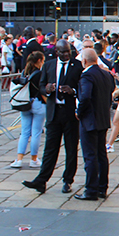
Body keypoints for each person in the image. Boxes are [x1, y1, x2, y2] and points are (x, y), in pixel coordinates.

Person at [22, 40, 82, 194]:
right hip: (54, 112)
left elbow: (82, 87)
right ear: (57, 52)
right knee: (50, 148)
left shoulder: (77, 66)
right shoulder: (49, 65)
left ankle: (68, 180)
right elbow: (41, 86)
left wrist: (73, 91)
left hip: (70, 113)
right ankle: (41, 180)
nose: (66, 54)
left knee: (71, 149)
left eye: (68, 51)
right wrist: (47, 89)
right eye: (63, 52)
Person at [74, 47, 113, 201]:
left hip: (90, 119)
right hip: (102, 117)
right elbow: (110, 93)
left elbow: (85, 96)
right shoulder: (105, 74)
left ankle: (91, 189)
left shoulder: (87, 76)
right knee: (101, 155)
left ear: (84, 61)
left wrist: (79, 111)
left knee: (90, 155)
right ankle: (102, 187)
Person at [10, 50, 46, 169]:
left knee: (24, 132)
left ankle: (19, 159)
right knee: (36, 132)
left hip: (25, 103)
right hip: (38, 103)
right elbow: (42, 90)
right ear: (39, 61)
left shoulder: (24, 72)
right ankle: (33, 159)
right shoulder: (40, 74)